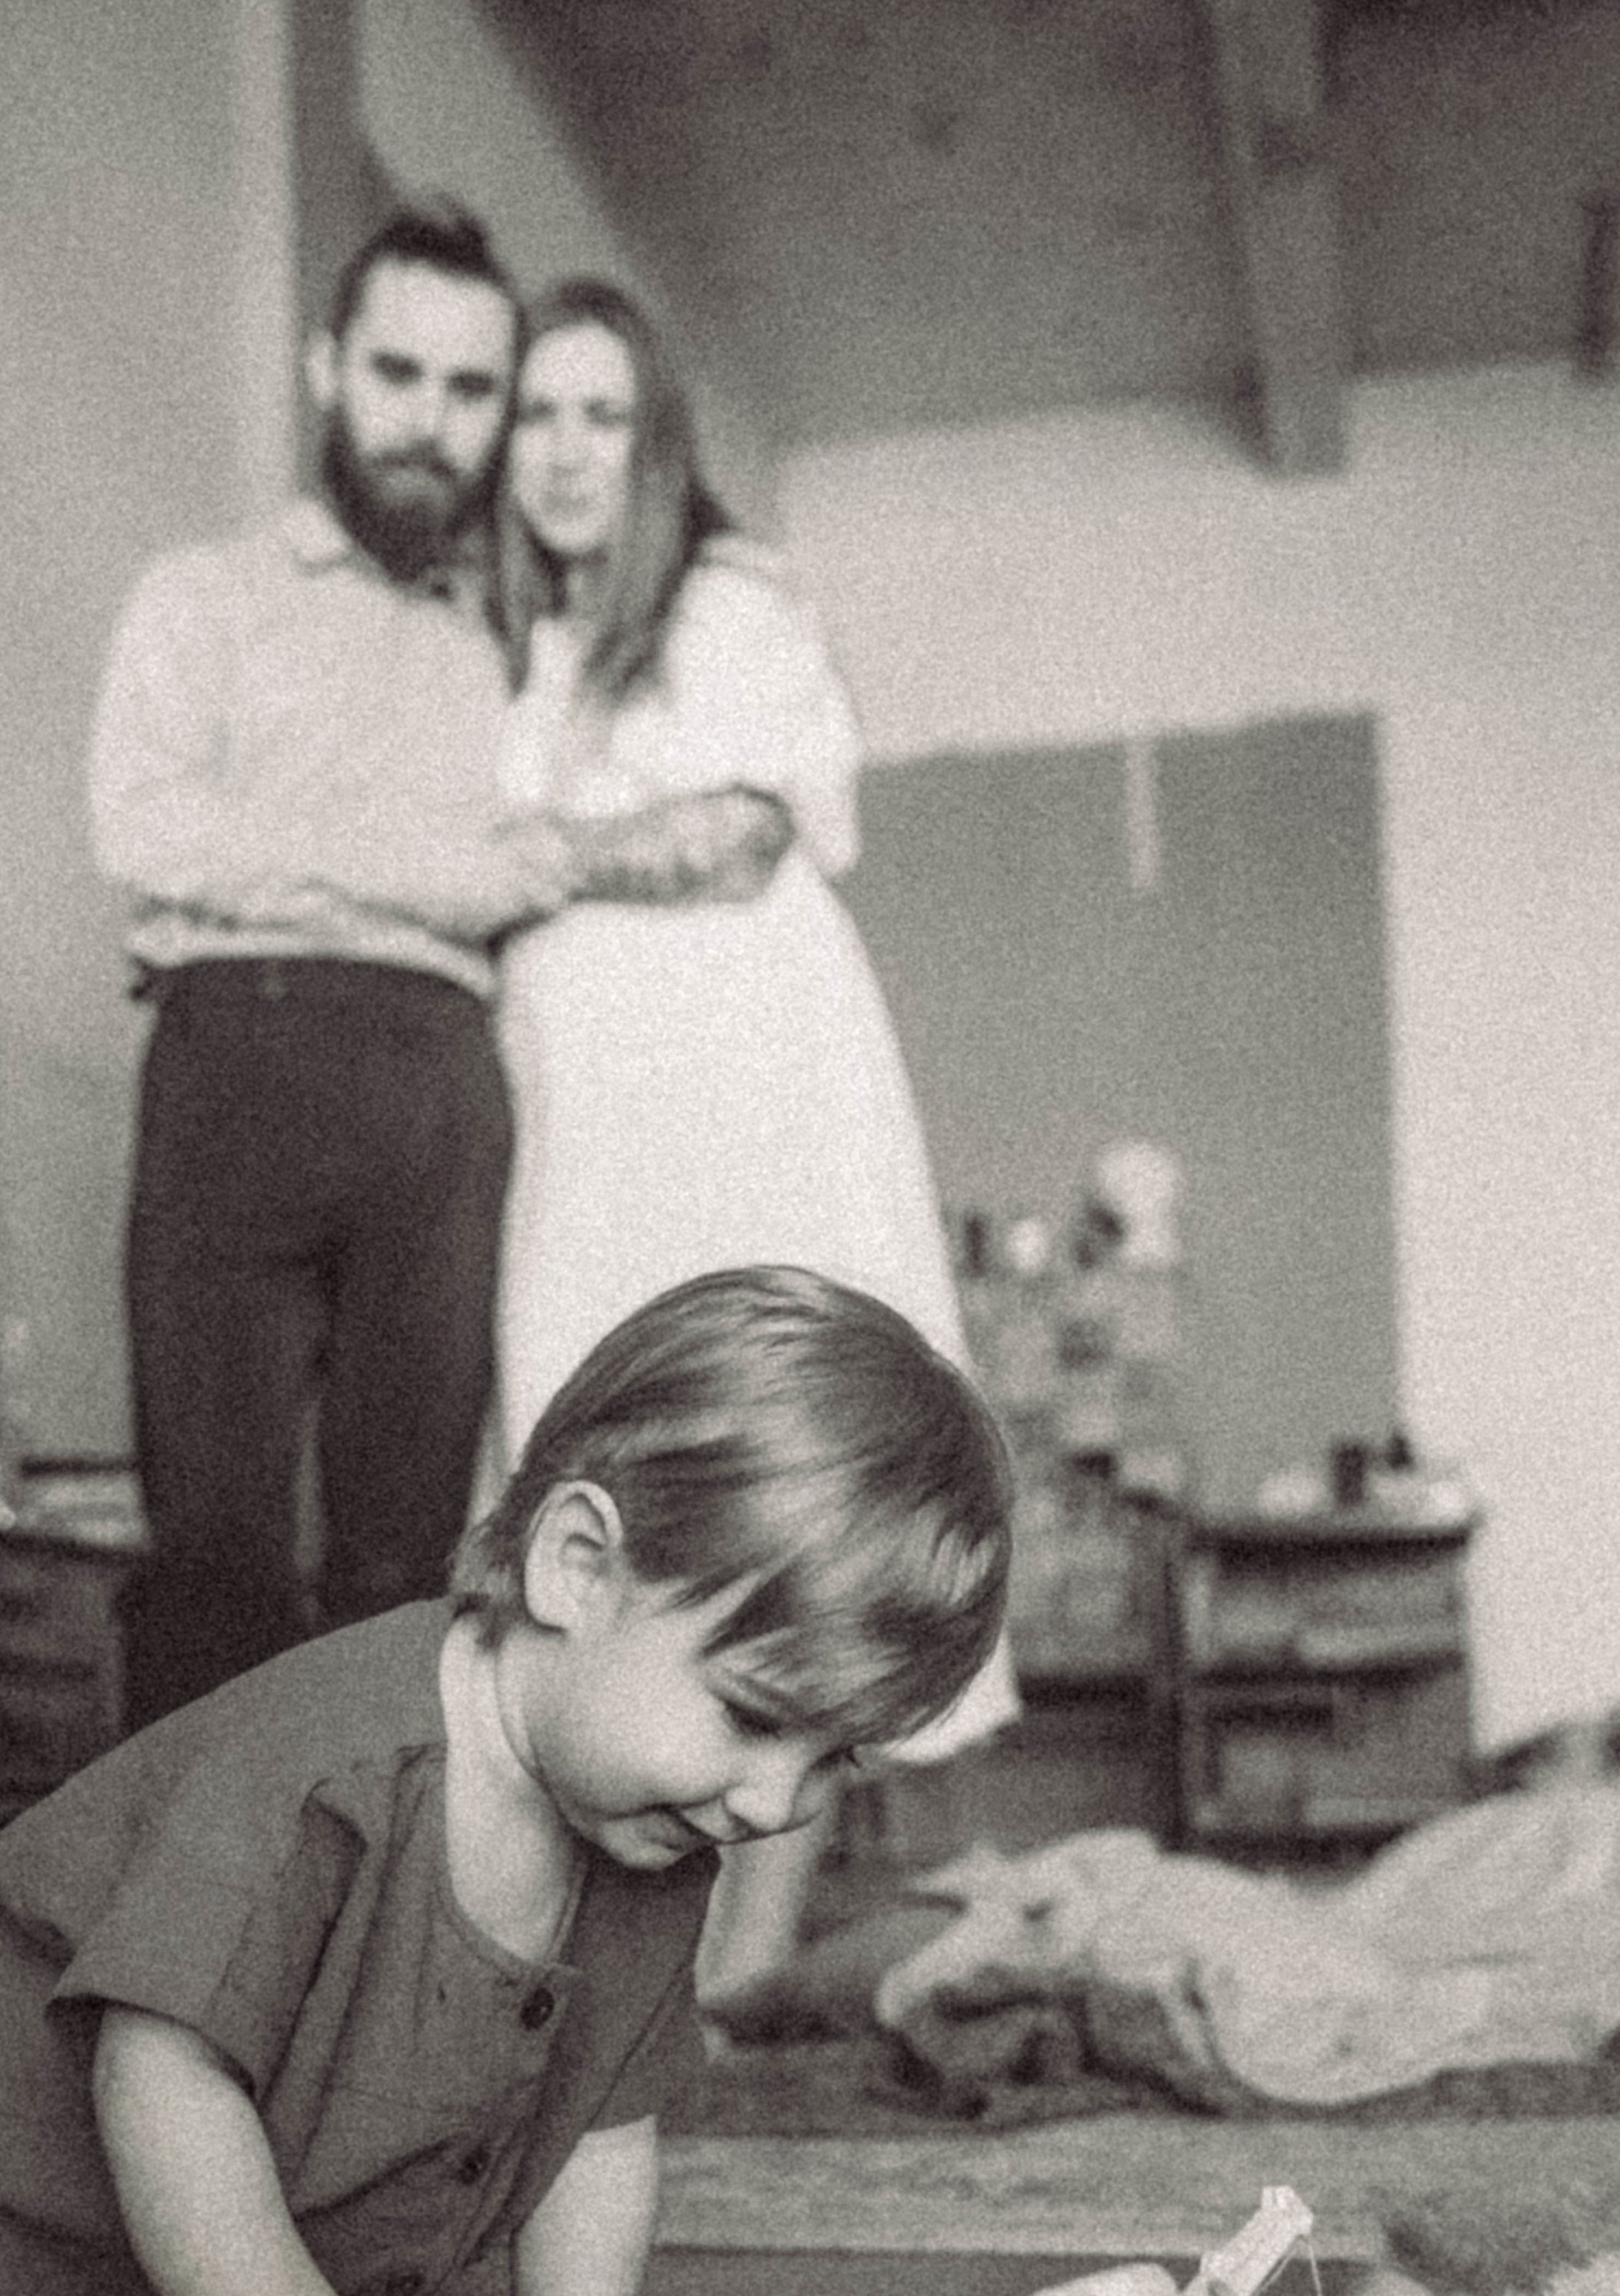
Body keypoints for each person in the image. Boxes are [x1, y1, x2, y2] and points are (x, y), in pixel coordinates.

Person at [0, 1265, 1013, 2296]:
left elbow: (600, 2126)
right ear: (577, 1567)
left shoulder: (654, 1834)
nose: (772, 1804)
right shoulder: (326, 1771)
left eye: (831, 1758)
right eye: (753, 1717)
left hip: (217, 2184)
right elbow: (157, 2075)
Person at [487, 279, 1019, 1982]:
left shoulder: (726, 600)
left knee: (780, 1457)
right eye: (535, 413)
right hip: (572, 1110)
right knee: (597, 1463)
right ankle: (613, 1950)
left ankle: (741, 1959)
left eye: (601, 416)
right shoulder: (507, 643)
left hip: (731, 1077)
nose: (562, 454)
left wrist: (495, 857)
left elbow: (729, 838)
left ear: (655, 445)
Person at [86, 200, 567, 1732]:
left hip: (440, 1092)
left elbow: (544, 871)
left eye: (470, 391)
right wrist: (435, 875)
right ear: (327, 371)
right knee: (213, 1555)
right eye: (399, 373)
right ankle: (191, 1966)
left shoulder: (509, 651)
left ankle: (361, 1960)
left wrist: (292, 848)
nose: (430, 423)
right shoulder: (199, 597)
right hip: (240, 1062)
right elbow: (146, 834)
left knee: (406, 1580)